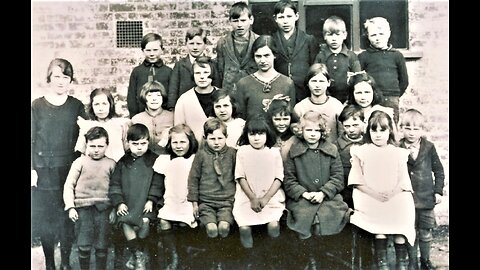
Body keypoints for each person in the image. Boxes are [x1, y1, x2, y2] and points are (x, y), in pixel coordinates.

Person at [31, 58, 88, 270]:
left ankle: (65, 262)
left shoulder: (77, 106)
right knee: (47, 218)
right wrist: (32, 168)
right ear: (49, 78)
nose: (61, 81)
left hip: (69, 170)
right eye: (57, 76)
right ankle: (49, 263)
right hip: (44, 171)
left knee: (67, 217)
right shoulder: (36, 105)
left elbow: (86, 138)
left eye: (66, 77)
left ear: (71, 80)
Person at [283, 110, 351, 269]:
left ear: (323, 132)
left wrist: (323, 193)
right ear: (301, 131)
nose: (313, 134)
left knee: (324, 221)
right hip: (302, 199)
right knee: (306, 220)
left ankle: (323, 260)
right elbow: (289, 179)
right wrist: (303, 193)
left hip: (327, 199)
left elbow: (337, 177)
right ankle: (308, 259)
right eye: (308, 130)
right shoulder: (295, 151)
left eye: (317, 130)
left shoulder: (331, 150)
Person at [348, 110, 416, 270]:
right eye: (374, 130)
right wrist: (375, 194)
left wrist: (392, 194)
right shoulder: (361, 151)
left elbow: (403, 180)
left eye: (382, 130)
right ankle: (382, 264)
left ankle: (402, 264)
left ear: (390, 131)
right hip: (370, 197)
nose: (378, 135)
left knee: (401, 216)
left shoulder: (398, 153)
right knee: (380, 226)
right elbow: (356, 181)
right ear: (368, 131)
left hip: (394, 196)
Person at [109, 123, 165, 270]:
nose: (139, 147)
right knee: (125, 221)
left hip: (146, 203)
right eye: (135, 144)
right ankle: (137, 254)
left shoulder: (154, 159)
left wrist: (151, 200)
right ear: (128, 143)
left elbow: (157, 182)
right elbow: (115, 184)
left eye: (143, 143)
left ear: (148, 142)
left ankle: (138, 253)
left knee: (145, 221)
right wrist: (119, 203)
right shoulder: (123, 161)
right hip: (128, 202)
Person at [232, 114, 286, 269]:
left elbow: (278, 177)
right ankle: (250, 259)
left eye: (260, 134)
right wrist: (253, 198)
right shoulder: (242, 151)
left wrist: (266, 198)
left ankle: (272, 258)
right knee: (244, 227)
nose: (256, 138)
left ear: (267, 134)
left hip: (271, 198)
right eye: (252, 134)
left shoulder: (274, 152)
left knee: (273, 225)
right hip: (247, 197)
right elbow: (240, 176)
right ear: (246, 135)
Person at [63, 126, 116, 270]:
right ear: (86, 145)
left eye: (100, 146)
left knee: (101, 245)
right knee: (84, 245)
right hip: (83, 209)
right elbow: (69, 185)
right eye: (92, 146)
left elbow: (116, 189)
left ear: (107, 145)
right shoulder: (79, 162)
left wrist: (114, 209)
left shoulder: (111, 164)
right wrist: (70, 207)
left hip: (103, 209)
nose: (96, 150)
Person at [187, 118, 237, 269]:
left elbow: (239, 177)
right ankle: (213, 260)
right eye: (212, 138)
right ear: (205, 138)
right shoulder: (201, 155)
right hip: (206, 201)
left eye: (220, 138)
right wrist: (195, 203)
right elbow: (193, 179)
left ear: (226, 138)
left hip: (226, 201)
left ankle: (222, 260)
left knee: (223, 227)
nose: (216, 142)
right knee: (211, 229)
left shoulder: (233, 154)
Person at [399, 109, 445, 270]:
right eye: (408, 128)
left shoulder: (429, 147)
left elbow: (438, 170)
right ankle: (412, 262)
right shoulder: (397, 148)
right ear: (401, 128)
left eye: (416, 129)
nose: (412, 133)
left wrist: (438, 191)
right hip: (405, 200)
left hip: (426, 198)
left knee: (425, 232)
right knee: (410, 232)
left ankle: (425, 261)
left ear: (422, 130)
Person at [153, 124, 199, 270]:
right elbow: (158, 185)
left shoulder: (194, 159)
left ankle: (184, 259)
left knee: (184, 223)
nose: (178, 146)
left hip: (188, 202)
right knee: (165, 221)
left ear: (190, 142)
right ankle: (172, 257)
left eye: (183, 142)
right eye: (175, 142)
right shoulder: (164, 160)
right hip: (171, 201)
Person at [358, 17, 409, 123]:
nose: (378, 38)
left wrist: (395, 95)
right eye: (373, 35)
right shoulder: (364, 56)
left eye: (381, 34)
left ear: (388, 34)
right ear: (367, 36)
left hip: (391, 98)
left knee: (390, 126)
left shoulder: (397, 55)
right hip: (371, 98)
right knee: (371, 124)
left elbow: (404, 80)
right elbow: (360, 79)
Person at [235, 35, 296, 120]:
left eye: (266, 55)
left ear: (274, 55)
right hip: (254, 132)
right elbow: (241, 117)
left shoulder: (287, 83)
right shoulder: (243, 84)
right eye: (258, 56)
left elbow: (289, 116)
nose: (262, 61)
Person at [271, 0, 319, 103]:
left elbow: (314, 67)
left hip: (303, 92)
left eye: (289, 16)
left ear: (296, 16)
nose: (285, 21)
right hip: (279, 91)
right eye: (281, 17)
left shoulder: (308, 40)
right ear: (275, 18)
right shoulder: (272, 40)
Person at [167, 27, 220, 111]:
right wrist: (172, 108)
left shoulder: (212, 64)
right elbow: (173, 89)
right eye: (191, 43)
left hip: (208, 106)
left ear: (205, 44)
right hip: (186, 107)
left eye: (198, 44)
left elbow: (217, 86)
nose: (195, 47)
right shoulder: (180, 65)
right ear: (186, 44)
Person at [314, 15, 361, 104]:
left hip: (348, 99)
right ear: (324, 36)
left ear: (345, 35)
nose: (334, 38)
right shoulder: (321, 56)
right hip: (326, 99)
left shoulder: (351, 56)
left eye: (338, 34)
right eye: (330, 34)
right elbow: (315, 77)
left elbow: (358, 79)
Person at [75, 88, 131, 162]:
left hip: (117, 167)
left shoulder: (121, 124)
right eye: (96, 104)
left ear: (110, 105)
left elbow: (128, 149)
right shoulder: (86, 126)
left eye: (104, 104)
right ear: (91, 106)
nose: (100, 108)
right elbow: (82, 152)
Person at [294, 63, 344, 143]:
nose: (317, 85)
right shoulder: (300, 107)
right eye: (314, 81)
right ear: (307, 83)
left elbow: (342, 135)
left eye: (321, 81)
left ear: (328, 83)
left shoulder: (337, 106)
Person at [174, 56, 220, 143]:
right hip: (193, 151)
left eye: (206, 72)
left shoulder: (222, 97)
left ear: (212, 74)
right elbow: (178, 129)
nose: (202, 77)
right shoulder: (184, 100)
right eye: (198, 73)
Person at [216, 1, 258, 92]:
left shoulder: (258, 41)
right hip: (230, 91)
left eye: (243, 20)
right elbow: (220, 70)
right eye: (235, 21)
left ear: (251, 20)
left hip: (253, 89)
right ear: (230, 21)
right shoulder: (222, 43)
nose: (239, 25)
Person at [127, 33, 172, 117]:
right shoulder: (137, 72)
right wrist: (134, 116)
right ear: (142, 50)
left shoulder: (168, 72)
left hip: (163, 115)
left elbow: (171, 96)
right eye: (148, 50)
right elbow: (131, 97)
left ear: (162, 50)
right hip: (141, 115)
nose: (152, 54)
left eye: (155, 50)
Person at [335, 104, 365, 208]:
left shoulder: (368, 143)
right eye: (347, 126)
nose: (351, 130)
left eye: (355, 125)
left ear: (363, 123)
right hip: (345, 190)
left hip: (366, 189)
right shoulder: (336, 146)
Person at [131, 80, 174, 154]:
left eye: (158, 95)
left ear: (163, 97)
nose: (154, 99)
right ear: (144, 98)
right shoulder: (136, 119)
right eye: (150, 95)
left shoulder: (173, 117)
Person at [265, 95, 299, 160]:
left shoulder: (296, 137)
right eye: (277, 119)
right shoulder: (266, 135)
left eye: (285, 119)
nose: (281, 123)